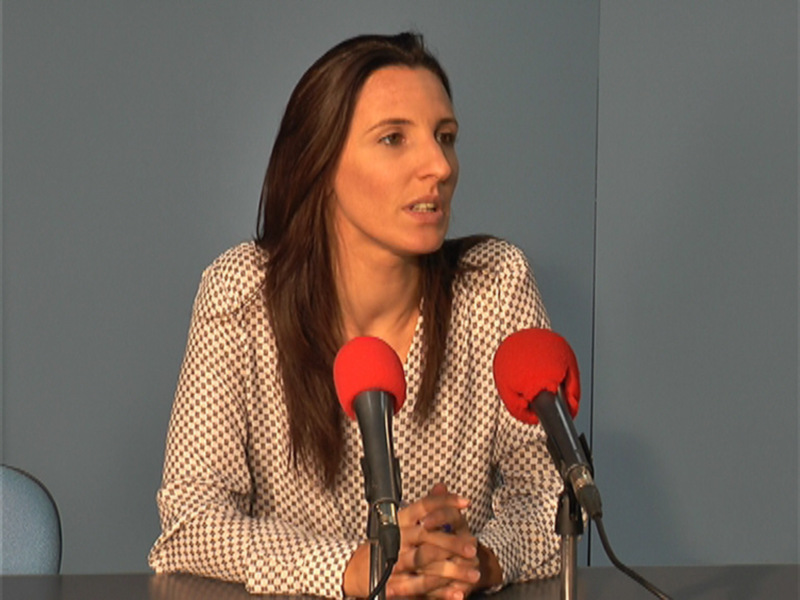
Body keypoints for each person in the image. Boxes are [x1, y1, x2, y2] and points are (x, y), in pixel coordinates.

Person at [148, 32, 562, 599]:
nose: (439, 166)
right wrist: (354, 567)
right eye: (394, 138)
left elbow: (548, 498)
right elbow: (190, 523)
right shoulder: (241, 292)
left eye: (446, 137)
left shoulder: (495, 284)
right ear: (319, 162)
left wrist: (476, 559)